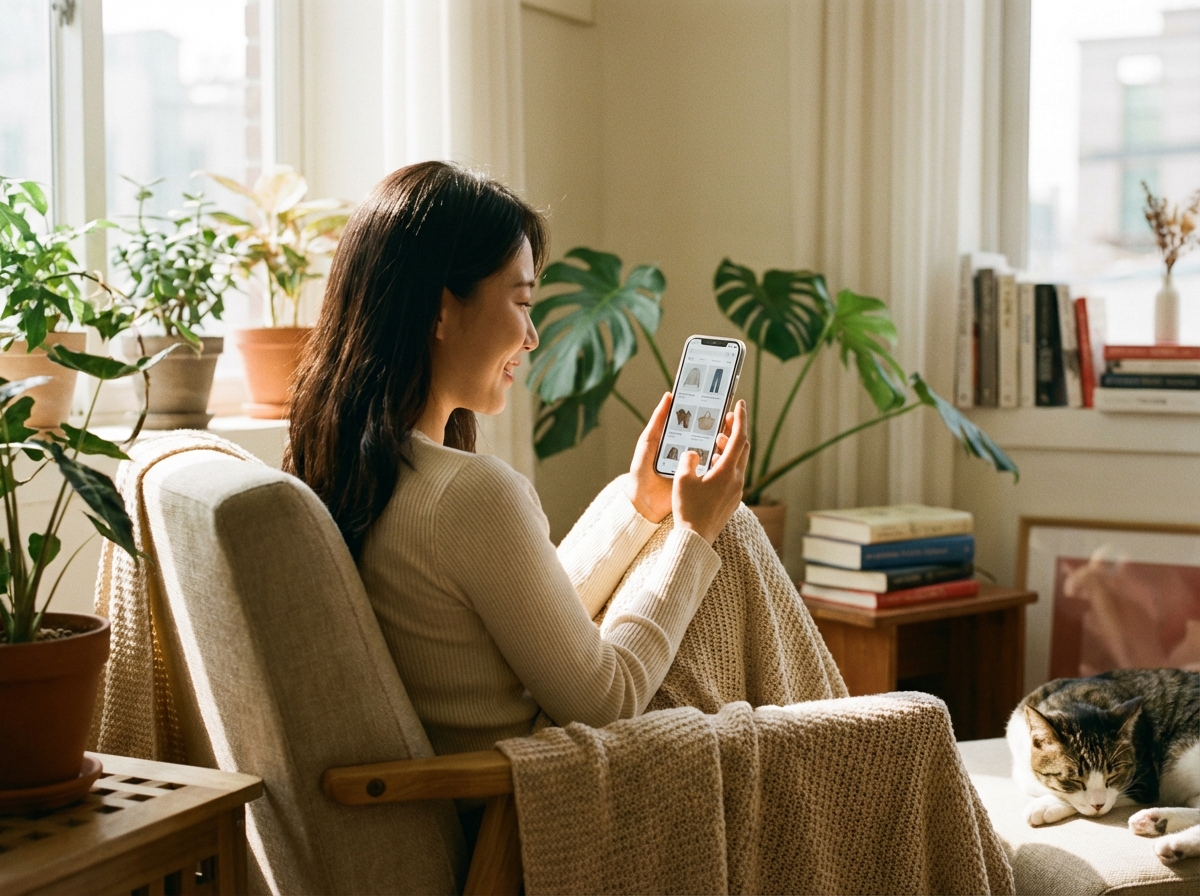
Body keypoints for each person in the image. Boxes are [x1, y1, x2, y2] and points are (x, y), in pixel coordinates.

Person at [286, 161, 827, 760]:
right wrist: (694, 536)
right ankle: (841, 758)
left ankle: (833, 749)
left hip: (495, 780)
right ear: (441, 311)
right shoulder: (467, 494)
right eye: (521, 303)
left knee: (698, 530)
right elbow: (605, 699)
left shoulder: (355, 469)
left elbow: (531, 619)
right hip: (539, 796)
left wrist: (643, 508)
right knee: (732, 537)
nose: (533, 337)